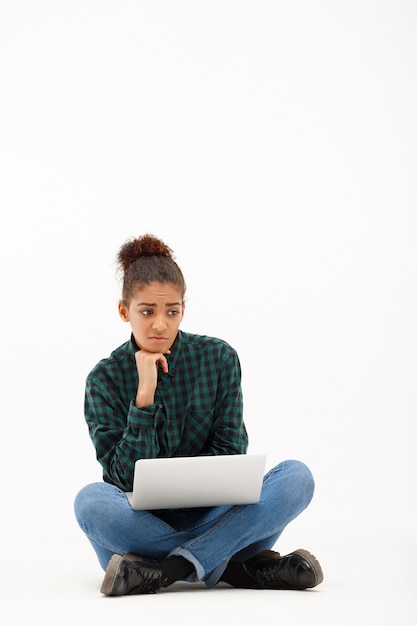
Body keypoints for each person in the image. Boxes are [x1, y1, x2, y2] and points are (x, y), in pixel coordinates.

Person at [74, 234, 323, 595]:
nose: (160, 324)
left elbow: (232, 450)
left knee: (297, 477)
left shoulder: (217, 358)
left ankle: (166, 570)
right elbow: (122, 476)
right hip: (141, 527)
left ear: (183, 310)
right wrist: (144, 398)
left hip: (216, 515)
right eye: (147, 311)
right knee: (91, 501)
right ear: (124, 311)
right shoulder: (105, 379)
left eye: (171, 311)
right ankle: (236, 568)